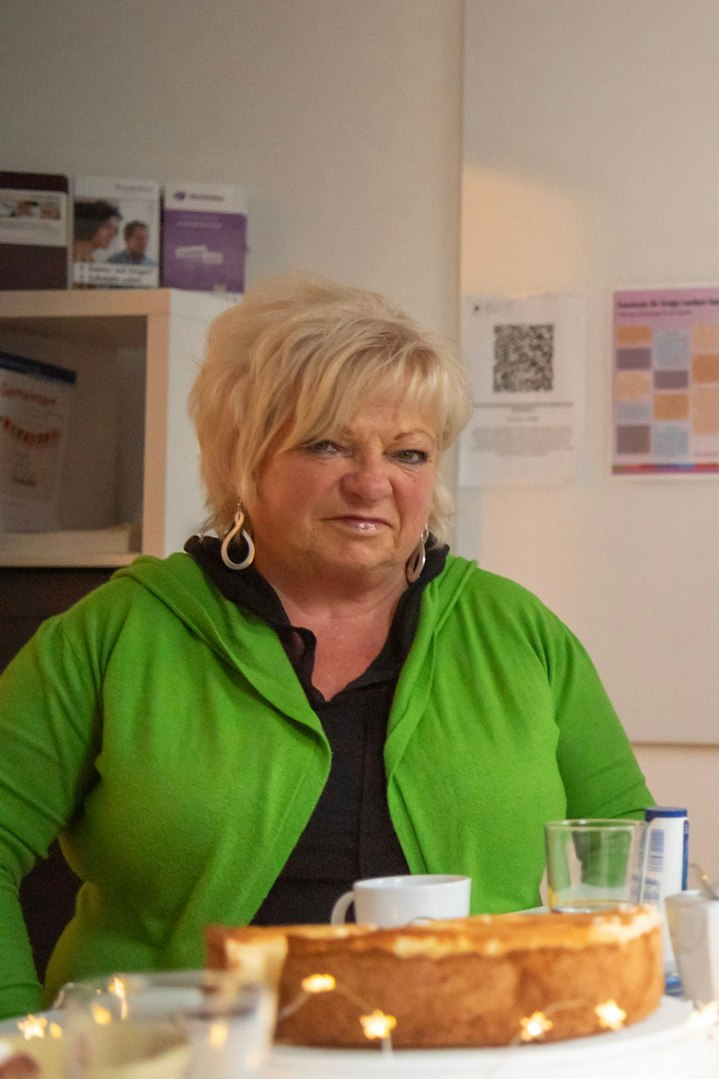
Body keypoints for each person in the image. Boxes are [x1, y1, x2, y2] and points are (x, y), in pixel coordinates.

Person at [0, 274, 654, 1017]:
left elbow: (633, 859)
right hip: (176, 1077)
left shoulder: (518, 632)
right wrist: (16, 1045)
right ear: (245, 459)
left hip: (471, 1068)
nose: (372, 482)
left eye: (409, 454)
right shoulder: (118, 632)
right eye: (327, 445)